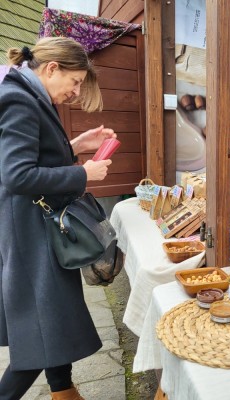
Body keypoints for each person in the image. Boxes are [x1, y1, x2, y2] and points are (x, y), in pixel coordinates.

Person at [0, 37, 116, 399]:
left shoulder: (27, 93)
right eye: (76, 81)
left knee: (51, 320)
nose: (77, 91)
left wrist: (76, 145)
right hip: (29, 235)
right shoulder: (19, 99)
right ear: (52, 68)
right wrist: (84, 174)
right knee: (41, 330)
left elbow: (35, 155)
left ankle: (63, 391)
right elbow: (17, 175)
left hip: (35, 228)